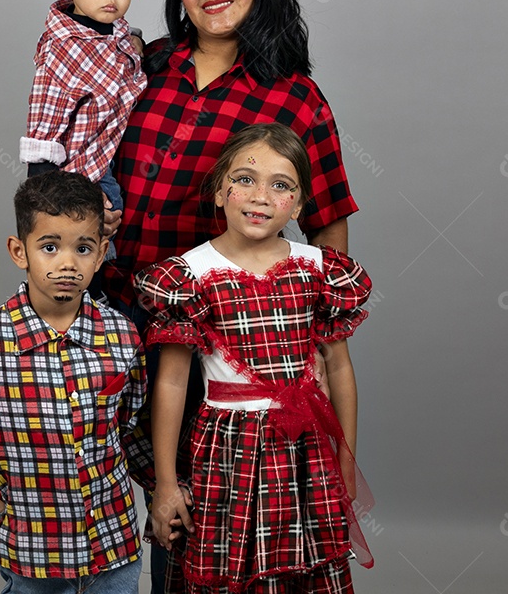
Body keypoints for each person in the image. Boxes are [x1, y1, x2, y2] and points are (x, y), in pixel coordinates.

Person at [99, 0, 362, 587]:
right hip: (116, 312)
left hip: (212, 331)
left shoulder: (293, 96)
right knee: (97, 480)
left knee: (199, 497)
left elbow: (328, 224)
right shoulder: (143, 65)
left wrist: (315, 337)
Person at [135, 123, 373, 593]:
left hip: (307, 448)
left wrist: (346, 460)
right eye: (245, 179)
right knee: (229, 565)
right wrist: (165, 484)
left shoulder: (318, 270)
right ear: (220, 191)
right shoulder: (192, 276)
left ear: (300, 204)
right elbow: (172, 383)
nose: (260, 196)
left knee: (307, 563)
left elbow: (340, 369)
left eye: (280, 186)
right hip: (228, 451)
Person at [0, 170, 154, 594]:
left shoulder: (123, 336)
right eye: (49, 247)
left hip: (113, 542)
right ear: (20, 251)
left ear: (102, 252)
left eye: (83, 248)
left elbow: (133, 426)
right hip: (31, 546)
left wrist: (163, 490)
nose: (68, 263)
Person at [19, 0, 147, 259]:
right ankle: (89, 298)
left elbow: (122, 37)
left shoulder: (113, 29)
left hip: (111, 158)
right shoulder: (63, 49)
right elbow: (44, 123)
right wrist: (48, 196)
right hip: (76, 174)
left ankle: (99, 295)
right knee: (86, 244)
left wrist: (136, 39)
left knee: (110, 233)